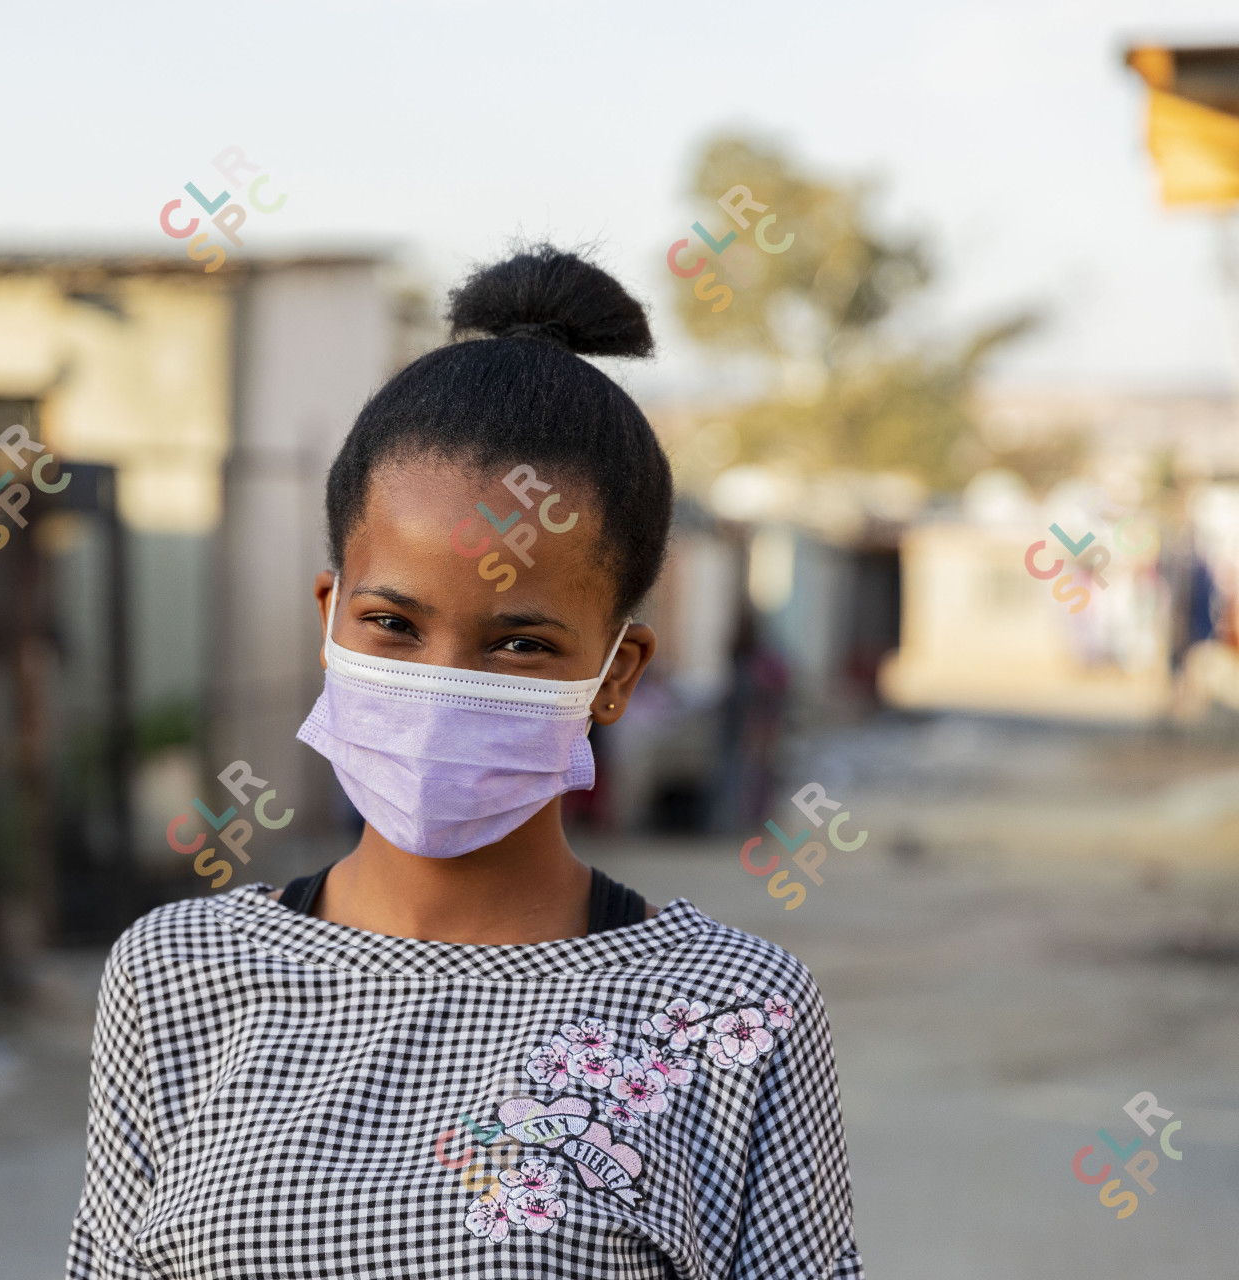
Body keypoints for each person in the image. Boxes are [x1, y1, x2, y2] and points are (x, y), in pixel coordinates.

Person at [67, 246, 864, 1278]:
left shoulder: (728, 1012)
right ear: (330, 618)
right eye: (393, 622)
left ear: (617, 672)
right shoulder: (178, 975)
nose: (442, 683)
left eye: (520, 641)